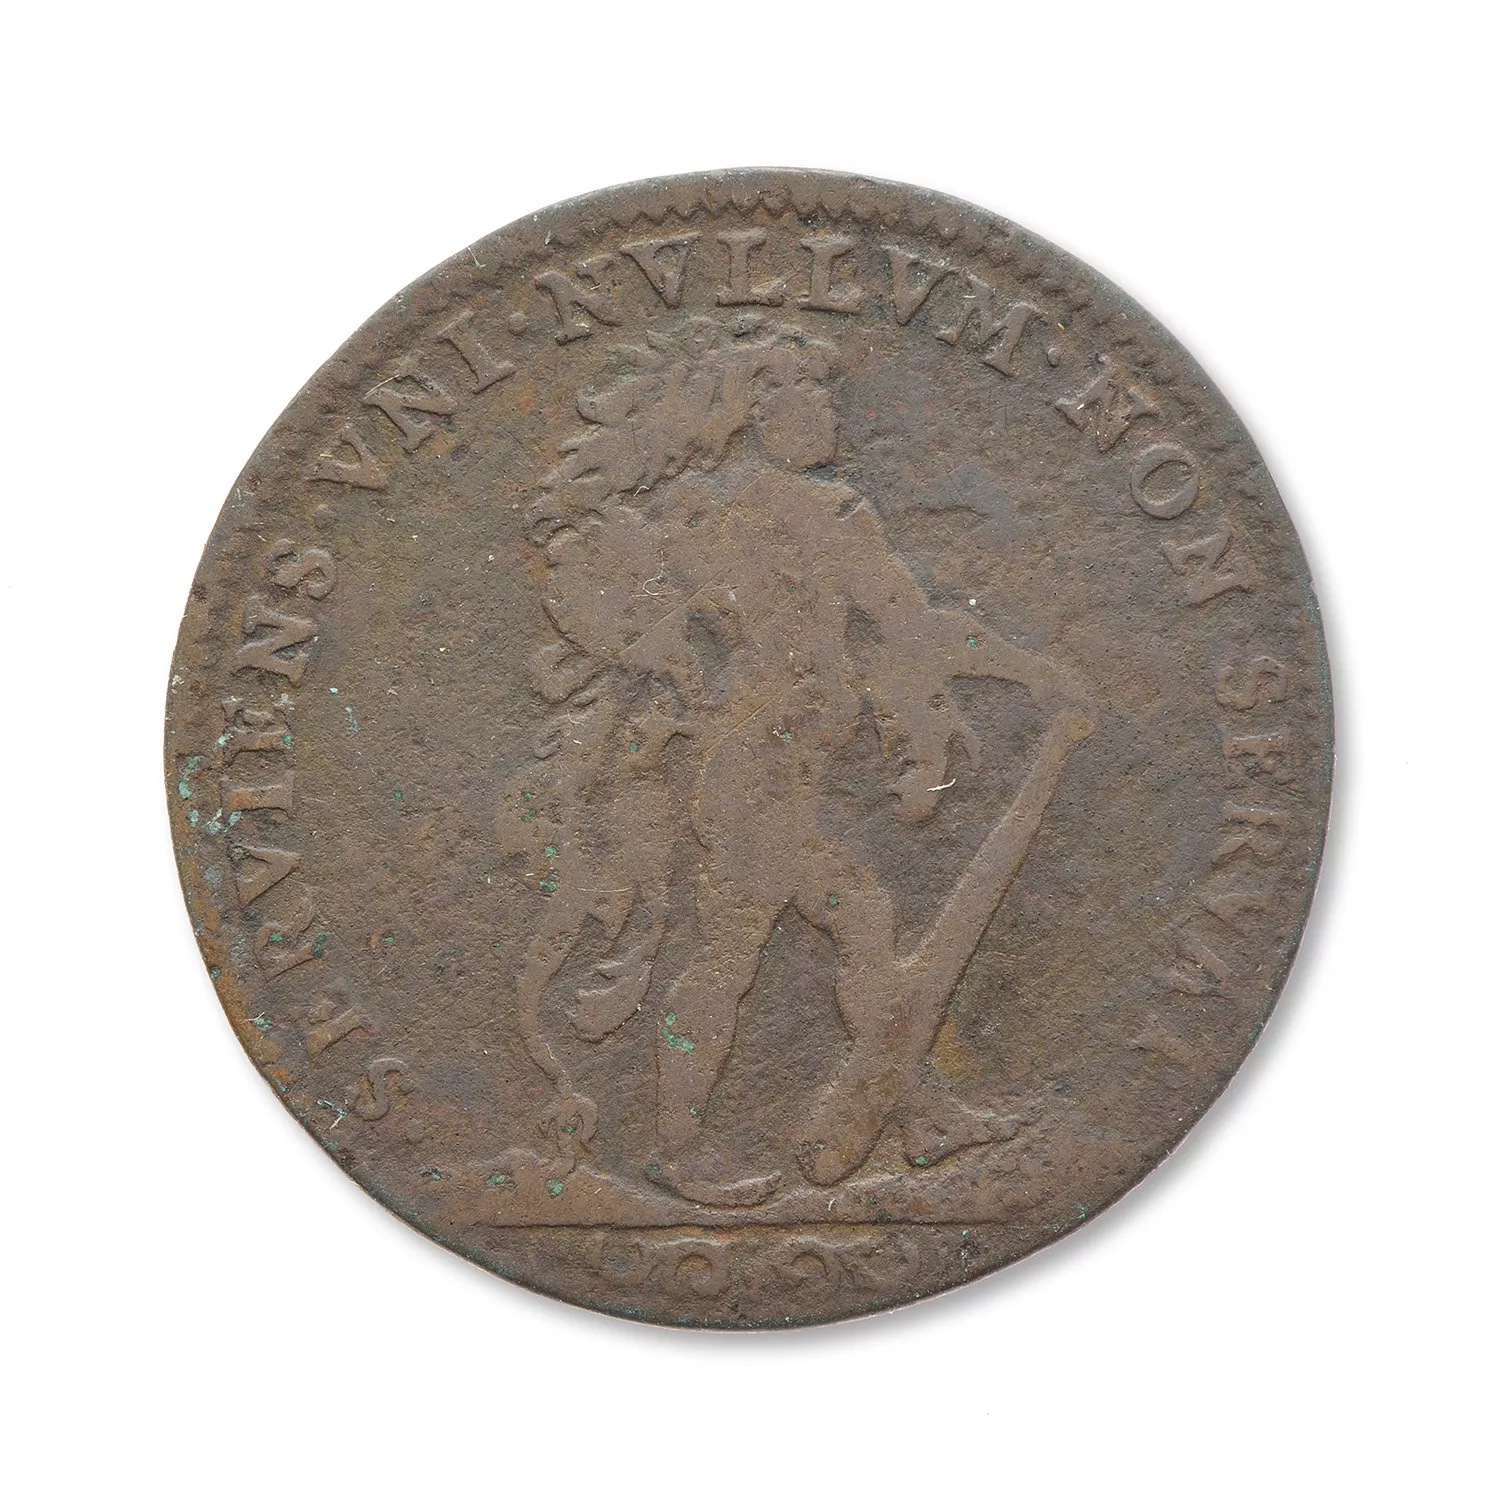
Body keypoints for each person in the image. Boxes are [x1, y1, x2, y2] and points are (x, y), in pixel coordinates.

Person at [523, 316, 1094, 1205]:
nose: (829, 412)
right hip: (756, 779)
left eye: (826, 395)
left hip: (754, 772)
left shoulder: (701, 515)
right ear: (762, 412)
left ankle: (905, 1109)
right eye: (811, 397)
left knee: (822, 928)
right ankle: (685, 1148)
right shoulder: (816, 516)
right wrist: (1034, 672)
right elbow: (914, 629)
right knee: (755, 947)